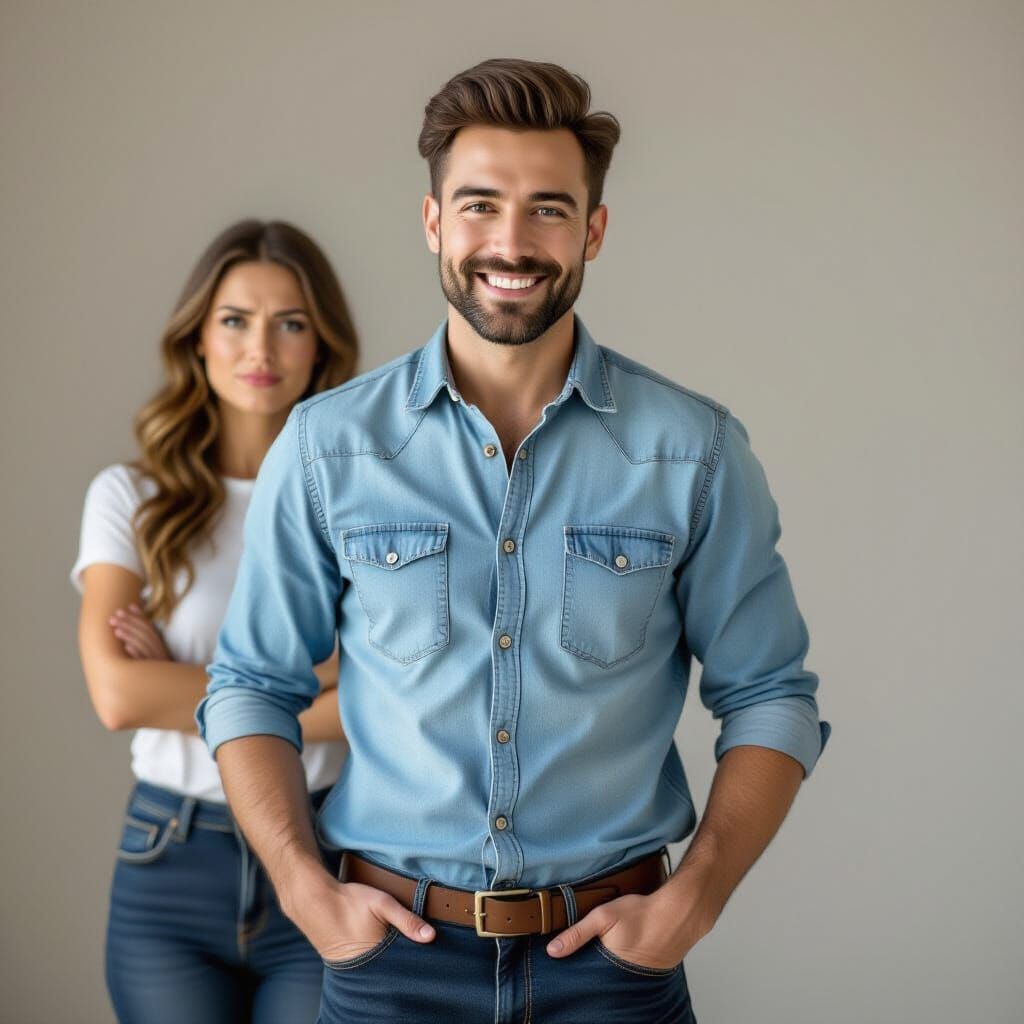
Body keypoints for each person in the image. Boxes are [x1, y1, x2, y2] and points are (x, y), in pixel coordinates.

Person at [198, 61, 831, 1023]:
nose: (511, 241)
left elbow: (771, 695)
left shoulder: (692, 450)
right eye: (480, 205)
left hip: (612, 974)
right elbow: (249, 685)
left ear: (593, 230)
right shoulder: (327, 448)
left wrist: (693, 901)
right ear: (433, 222)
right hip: (389, 970)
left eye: (548, 210)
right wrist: (301, 887)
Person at [71, 219, 359, 1024]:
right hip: (172, 858)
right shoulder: (131, 498)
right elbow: (118, 696)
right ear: (197, 337)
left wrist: (180, 684)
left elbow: (382, 705)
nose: (260, 348)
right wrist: (314, 679)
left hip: (324, 850)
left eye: (290, 323)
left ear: (321, 344)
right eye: (235, 320)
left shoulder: (361, 505)